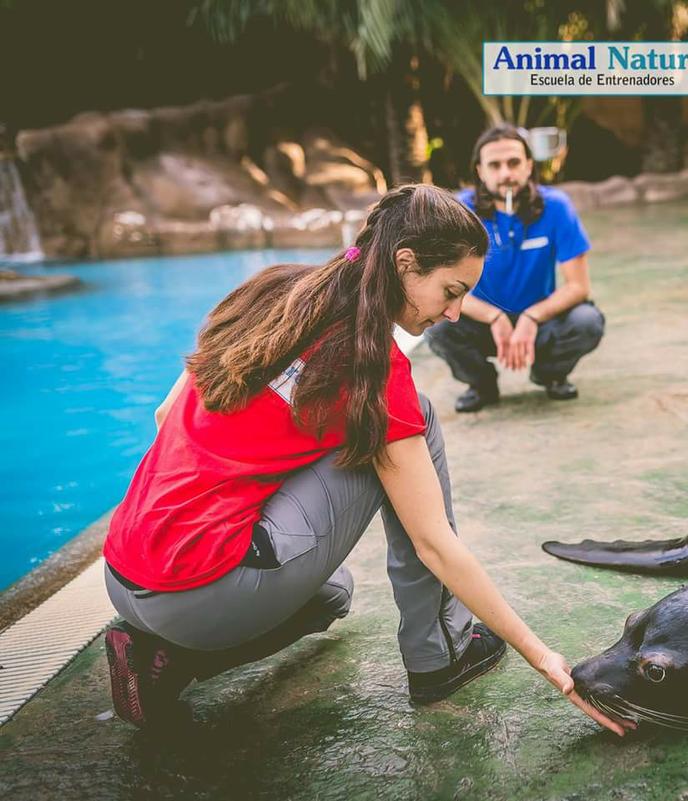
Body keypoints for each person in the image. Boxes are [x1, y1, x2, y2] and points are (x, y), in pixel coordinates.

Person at [100, 184, 632, 736]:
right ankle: (441, 652)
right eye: (450, 291)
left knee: (336, 596)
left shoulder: (273, 291)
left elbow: (167, 417)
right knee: (407, 423)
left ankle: (162, 656)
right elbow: (434, 545)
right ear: (405, 263)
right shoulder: (375, 372)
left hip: (123, 571)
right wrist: (546, 659)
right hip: (201, 592)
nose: (454, 314)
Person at [425, 125, 605, 413]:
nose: (506, 173)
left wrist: (532, 318)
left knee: (587, 322)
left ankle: (549, 373)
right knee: (438, 326)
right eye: (494, 165)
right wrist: (494, 317)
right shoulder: (459, 212)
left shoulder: (556, 206)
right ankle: (481, 383)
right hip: (480, 320)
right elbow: (442, 286)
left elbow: (578, 287)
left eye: (514, 163)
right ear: (480, 171)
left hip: (541, 321)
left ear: (529, 166)